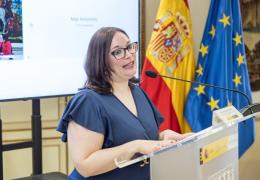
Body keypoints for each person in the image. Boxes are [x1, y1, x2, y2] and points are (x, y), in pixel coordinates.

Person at [57, 27, 191, 180]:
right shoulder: (87, 101)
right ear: (100, 60)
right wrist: (135, 146)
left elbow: (140, 137)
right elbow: (85, 166)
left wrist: (165, 138)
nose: (129, 55)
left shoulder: (138, 92)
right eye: (118, 52)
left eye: (129, 47)